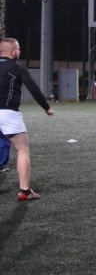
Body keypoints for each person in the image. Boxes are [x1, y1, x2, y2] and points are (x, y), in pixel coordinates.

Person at [0, 37, 54, 200]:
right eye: (18, 49)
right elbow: (34, 88)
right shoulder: (16, 67)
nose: (20, 51)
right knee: (22, 150)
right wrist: (46, 107)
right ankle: (24, 191)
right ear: (12, 51)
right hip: (8, 112)